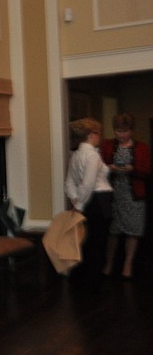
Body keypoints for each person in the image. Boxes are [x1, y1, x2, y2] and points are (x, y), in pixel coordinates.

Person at [101, 113, 150, 279]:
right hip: (113, 194)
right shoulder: (107, 145)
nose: (122, 135)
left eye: (125, 131)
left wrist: (133, 169)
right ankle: (109, 263)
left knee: (133, 230)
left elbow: (146, 170)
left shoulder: (141, 147)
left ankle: (127, 264)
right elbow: (99, 166)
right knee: (113, 230)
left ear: (132, 131)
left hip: (134, 195)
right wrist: (109, 168)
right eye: (118, 131)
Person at [64, 118, 112, 288]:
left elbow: (69, 183)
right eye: (98, 133)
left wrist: (75, 200)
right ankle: (93, 282)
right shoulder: (92, 155)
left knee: (86, 241)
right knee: (98, 242)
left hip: (87, 202)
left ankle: (80, 279)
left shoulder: (76, 154)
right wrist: (80, 205)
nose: (100, 137)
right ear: (92, 134)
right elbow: (88, 184)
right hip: (99, 201)